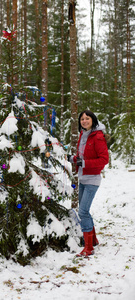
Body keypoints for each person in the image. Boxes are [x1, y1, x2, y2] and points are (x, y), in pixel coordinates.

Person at [68, 110, 109, 257]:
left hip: (92, 179)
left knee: (83, 211)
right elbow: (83, 156)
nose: (84, 121)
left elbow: (104, 159)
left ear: (93, 120)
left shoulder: (97, 136)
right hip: (83, 178)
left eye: (87, 118)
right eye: (82, 119)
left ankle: (88, 248)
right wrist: (73, 159)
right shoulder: (83, 134)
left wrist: (83, 163)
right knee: (84, 210)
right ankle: (94, 240)